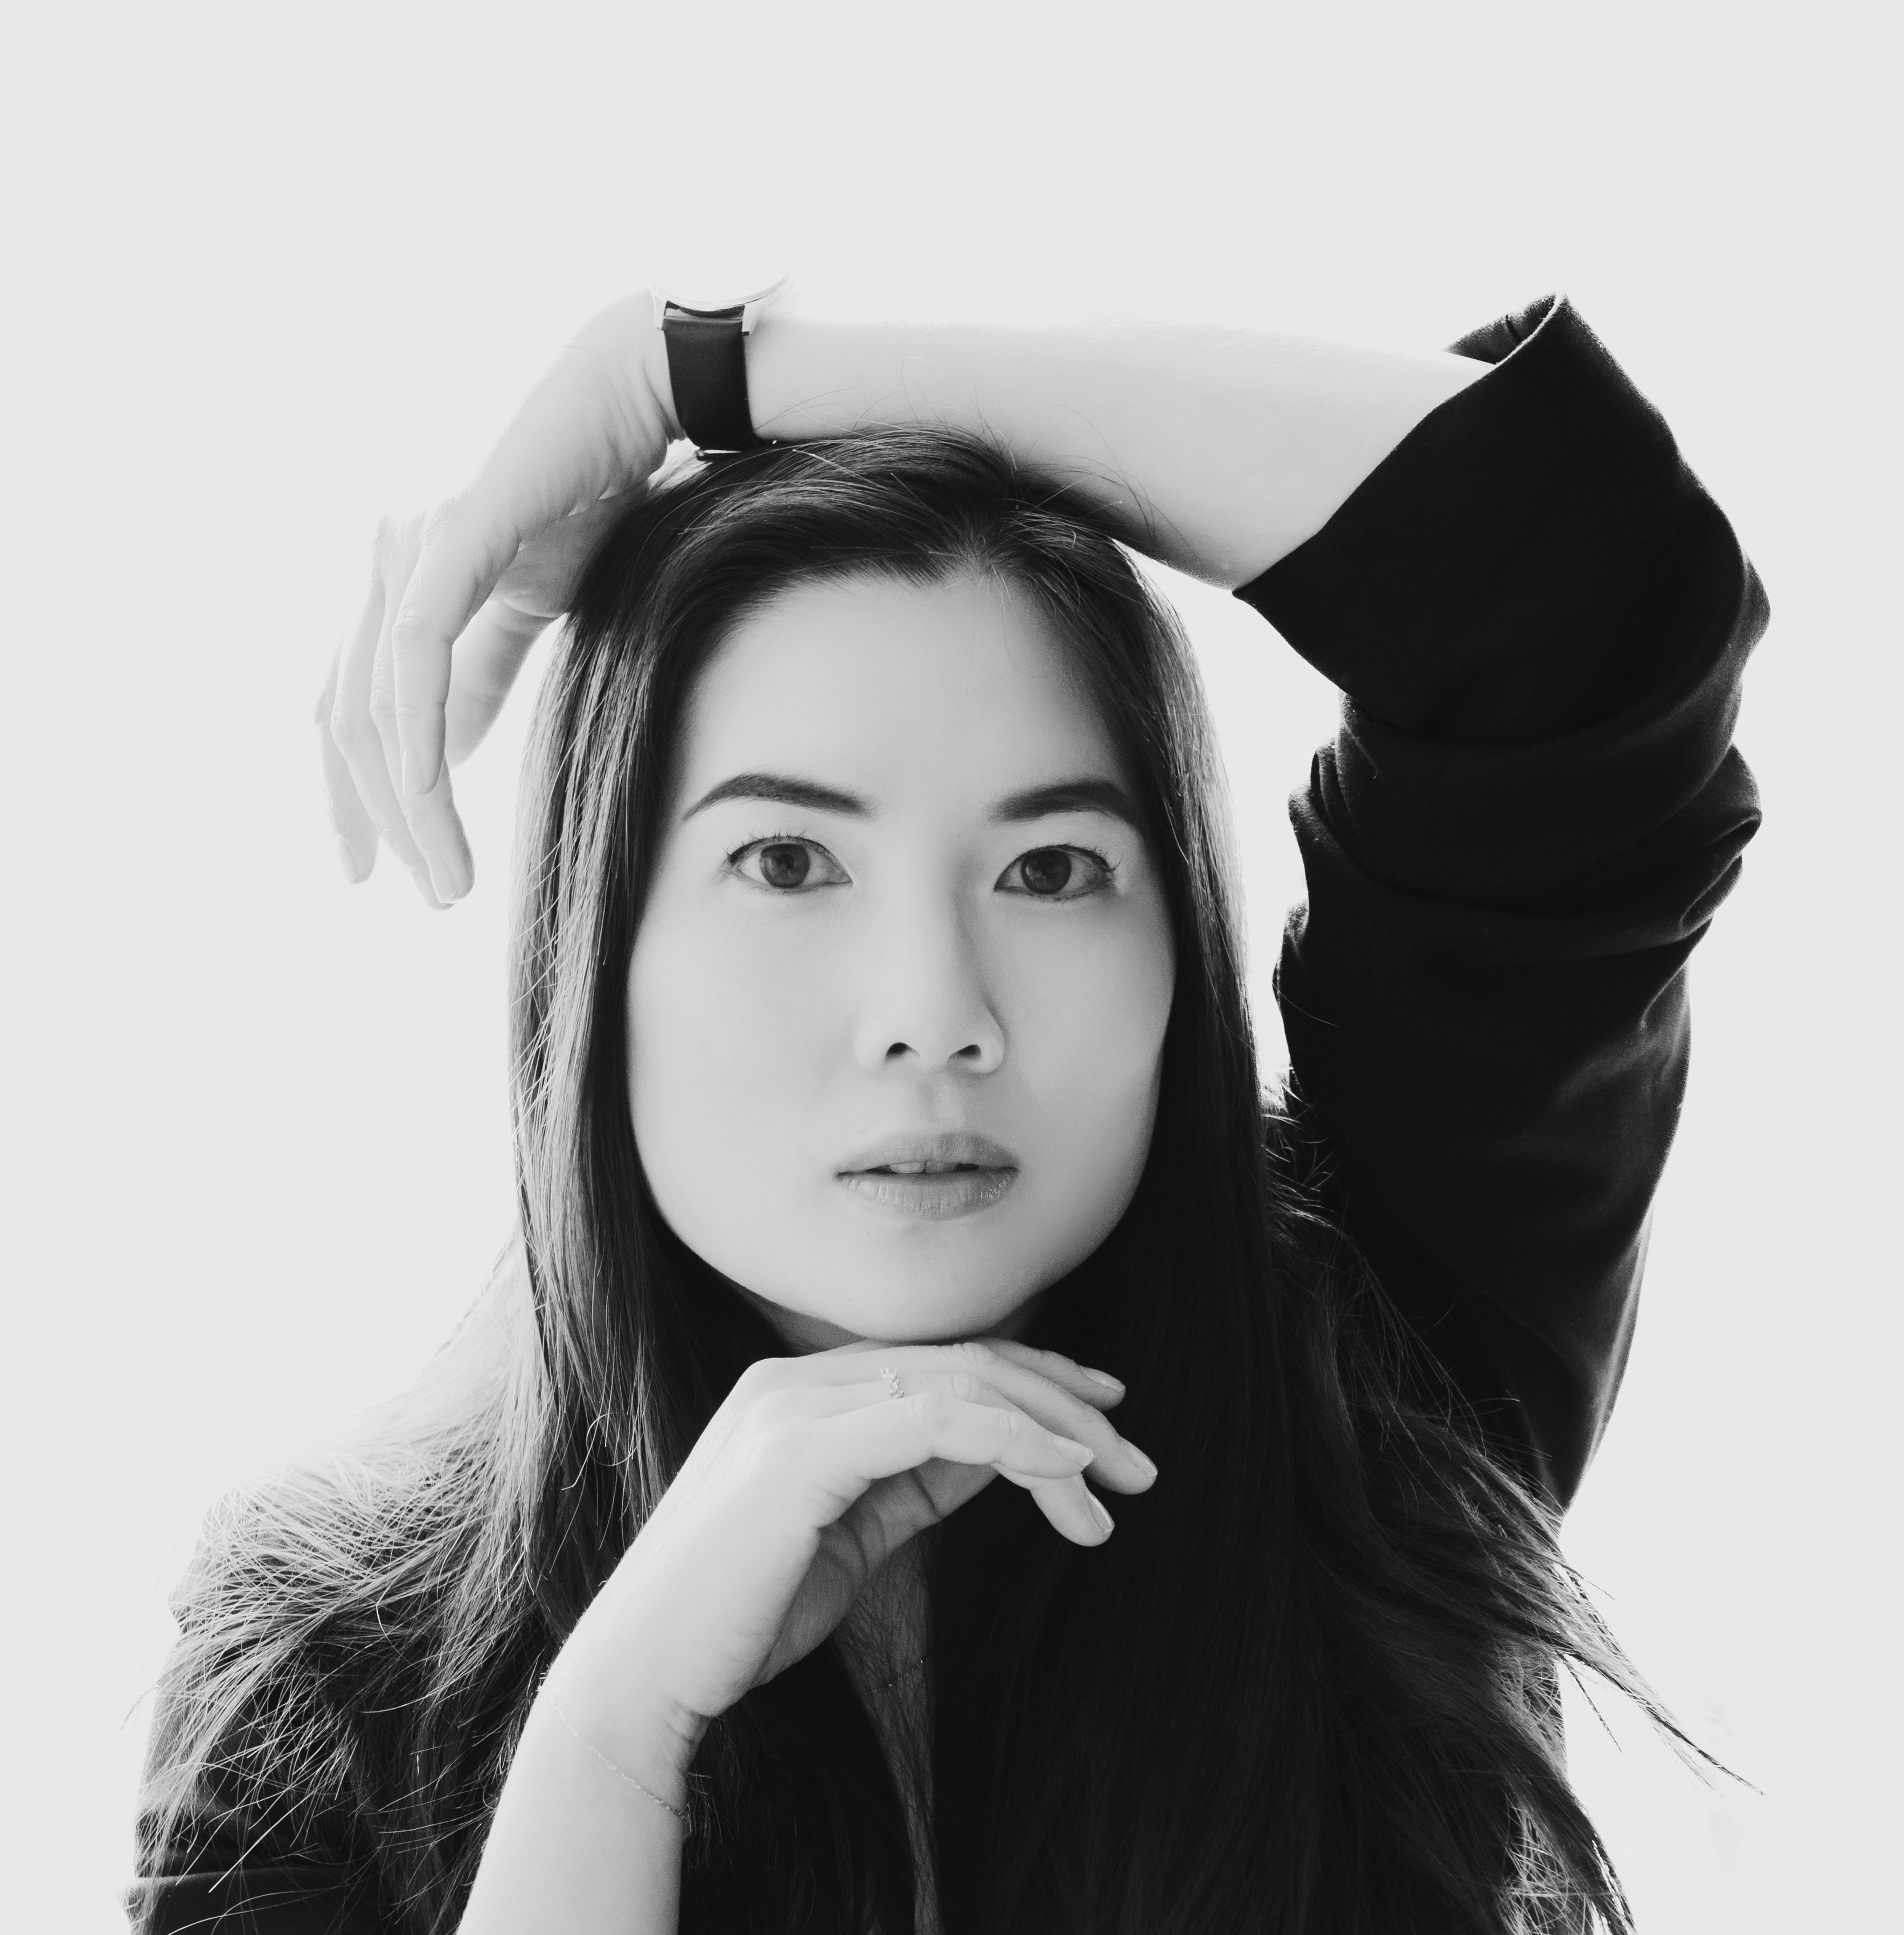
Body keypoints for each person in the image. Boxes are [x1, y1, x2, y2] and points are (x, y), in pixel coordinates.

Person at [125, 282, 1767, 1935]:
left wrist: (699, 372)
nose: (934, 1013)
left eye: (1050, 870)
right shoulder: (325, 1671)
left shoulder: (1377, 1373)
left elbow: (1584, 590)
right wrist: (612, 1743)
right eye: (788, 861)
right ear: (596, 947)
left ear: (1177, 941)